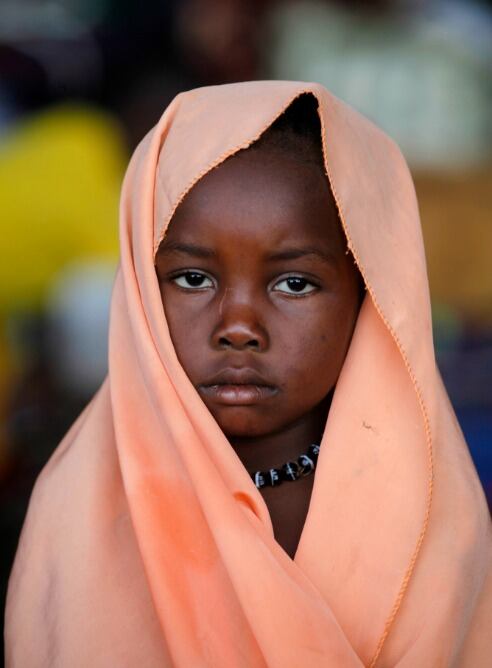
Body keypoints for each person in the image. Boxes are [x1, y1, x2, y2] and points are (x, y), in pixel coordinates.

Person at [5, 81, 491, 667]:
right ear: (137, 283)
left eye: (294, 284)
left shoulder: (431, 513)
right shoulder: (80, 513)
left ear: (371, 299)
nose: (238, 325)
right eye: (192, 279)